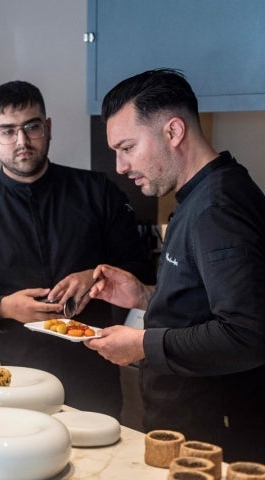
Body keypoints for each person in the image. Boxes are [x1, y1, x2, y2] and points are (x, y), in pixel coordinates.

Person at [0, 80, 152, 418]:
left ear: (47, 128)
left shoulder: (98, 192)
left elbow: (140, 270)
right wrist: (4, 307)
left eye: (31, 127)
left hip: (92, 374)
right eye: (7, 131)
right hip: (9, 378)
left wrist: (95, 275)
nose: (22, 141)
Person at [86, 68, 265, 462]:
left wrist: (141, 344)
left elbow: (247, 334)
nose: (119, 166)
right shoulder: (200, 196)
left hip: (216, 441)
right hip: (191, 428)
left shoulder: (218, 209)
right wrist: (146, 296)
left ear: (173, 132)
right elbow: (205, 302)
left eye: (127, 147)